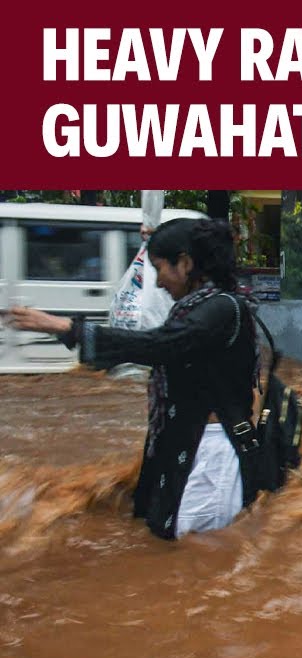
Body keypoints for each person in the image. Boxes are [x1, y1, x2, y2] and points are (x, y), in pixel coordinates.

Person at [6, 219, 261, 539]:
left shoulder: (222, 309)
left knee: (196, 553)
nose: (157, 284)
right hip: (188, 442)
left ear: (185, 264)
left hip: (211, 456)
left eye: (159, 269)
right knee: (165, 543)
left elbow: (158, 345)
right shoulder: (198, 308)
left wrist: (66, 327)